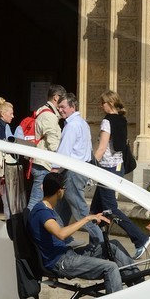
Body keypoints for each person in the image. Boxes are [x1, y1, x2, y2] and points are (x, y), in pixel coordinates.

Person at [26, 170, 129, 296]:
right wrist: (87, 218)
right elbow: (61, 234)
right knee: (110, 267)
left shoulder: (49, 209)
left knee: (113, 246)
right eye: (64, 188)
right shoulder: (42, 212)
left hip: (68, 254)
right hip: (62, 262)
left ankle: (137, 284)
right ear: (59, 191)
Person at [91, 91, 150, 257]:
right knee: (95, 211)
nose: (100, 105)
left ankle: (140, 238)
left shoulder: (107, 121)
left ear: (109, 103)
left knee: (111, 209)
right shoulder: (122, 120)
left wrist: (90, 167)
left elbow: (102, 148)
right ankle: (97, 248)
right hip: (118, 167)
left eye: (102, 102)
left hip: (107, 169)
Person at [56, 91, 103, 247]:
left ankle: (100, 243)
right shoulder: (83, 123)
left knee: (80, 211)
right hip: (80, 169)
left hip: (73, 172)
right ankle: (58, 239)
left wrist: (54, 172)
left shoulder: (71, 126)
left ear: (72, 107)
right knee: (62, 208)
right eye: (59, 107)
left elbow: (64, 153)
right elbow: (88, 149)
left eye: (63, 107)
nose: (60, 110)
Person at [28, 85, 65, 208]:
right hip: (42, 164)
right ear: (56, 97)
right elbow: (52, 143)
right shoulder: (48, 115)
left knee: (40, 199)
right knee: (36, 200)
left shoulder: (46, 113)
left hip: (42, 162)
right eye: (62, 98)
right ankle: (27, 225)